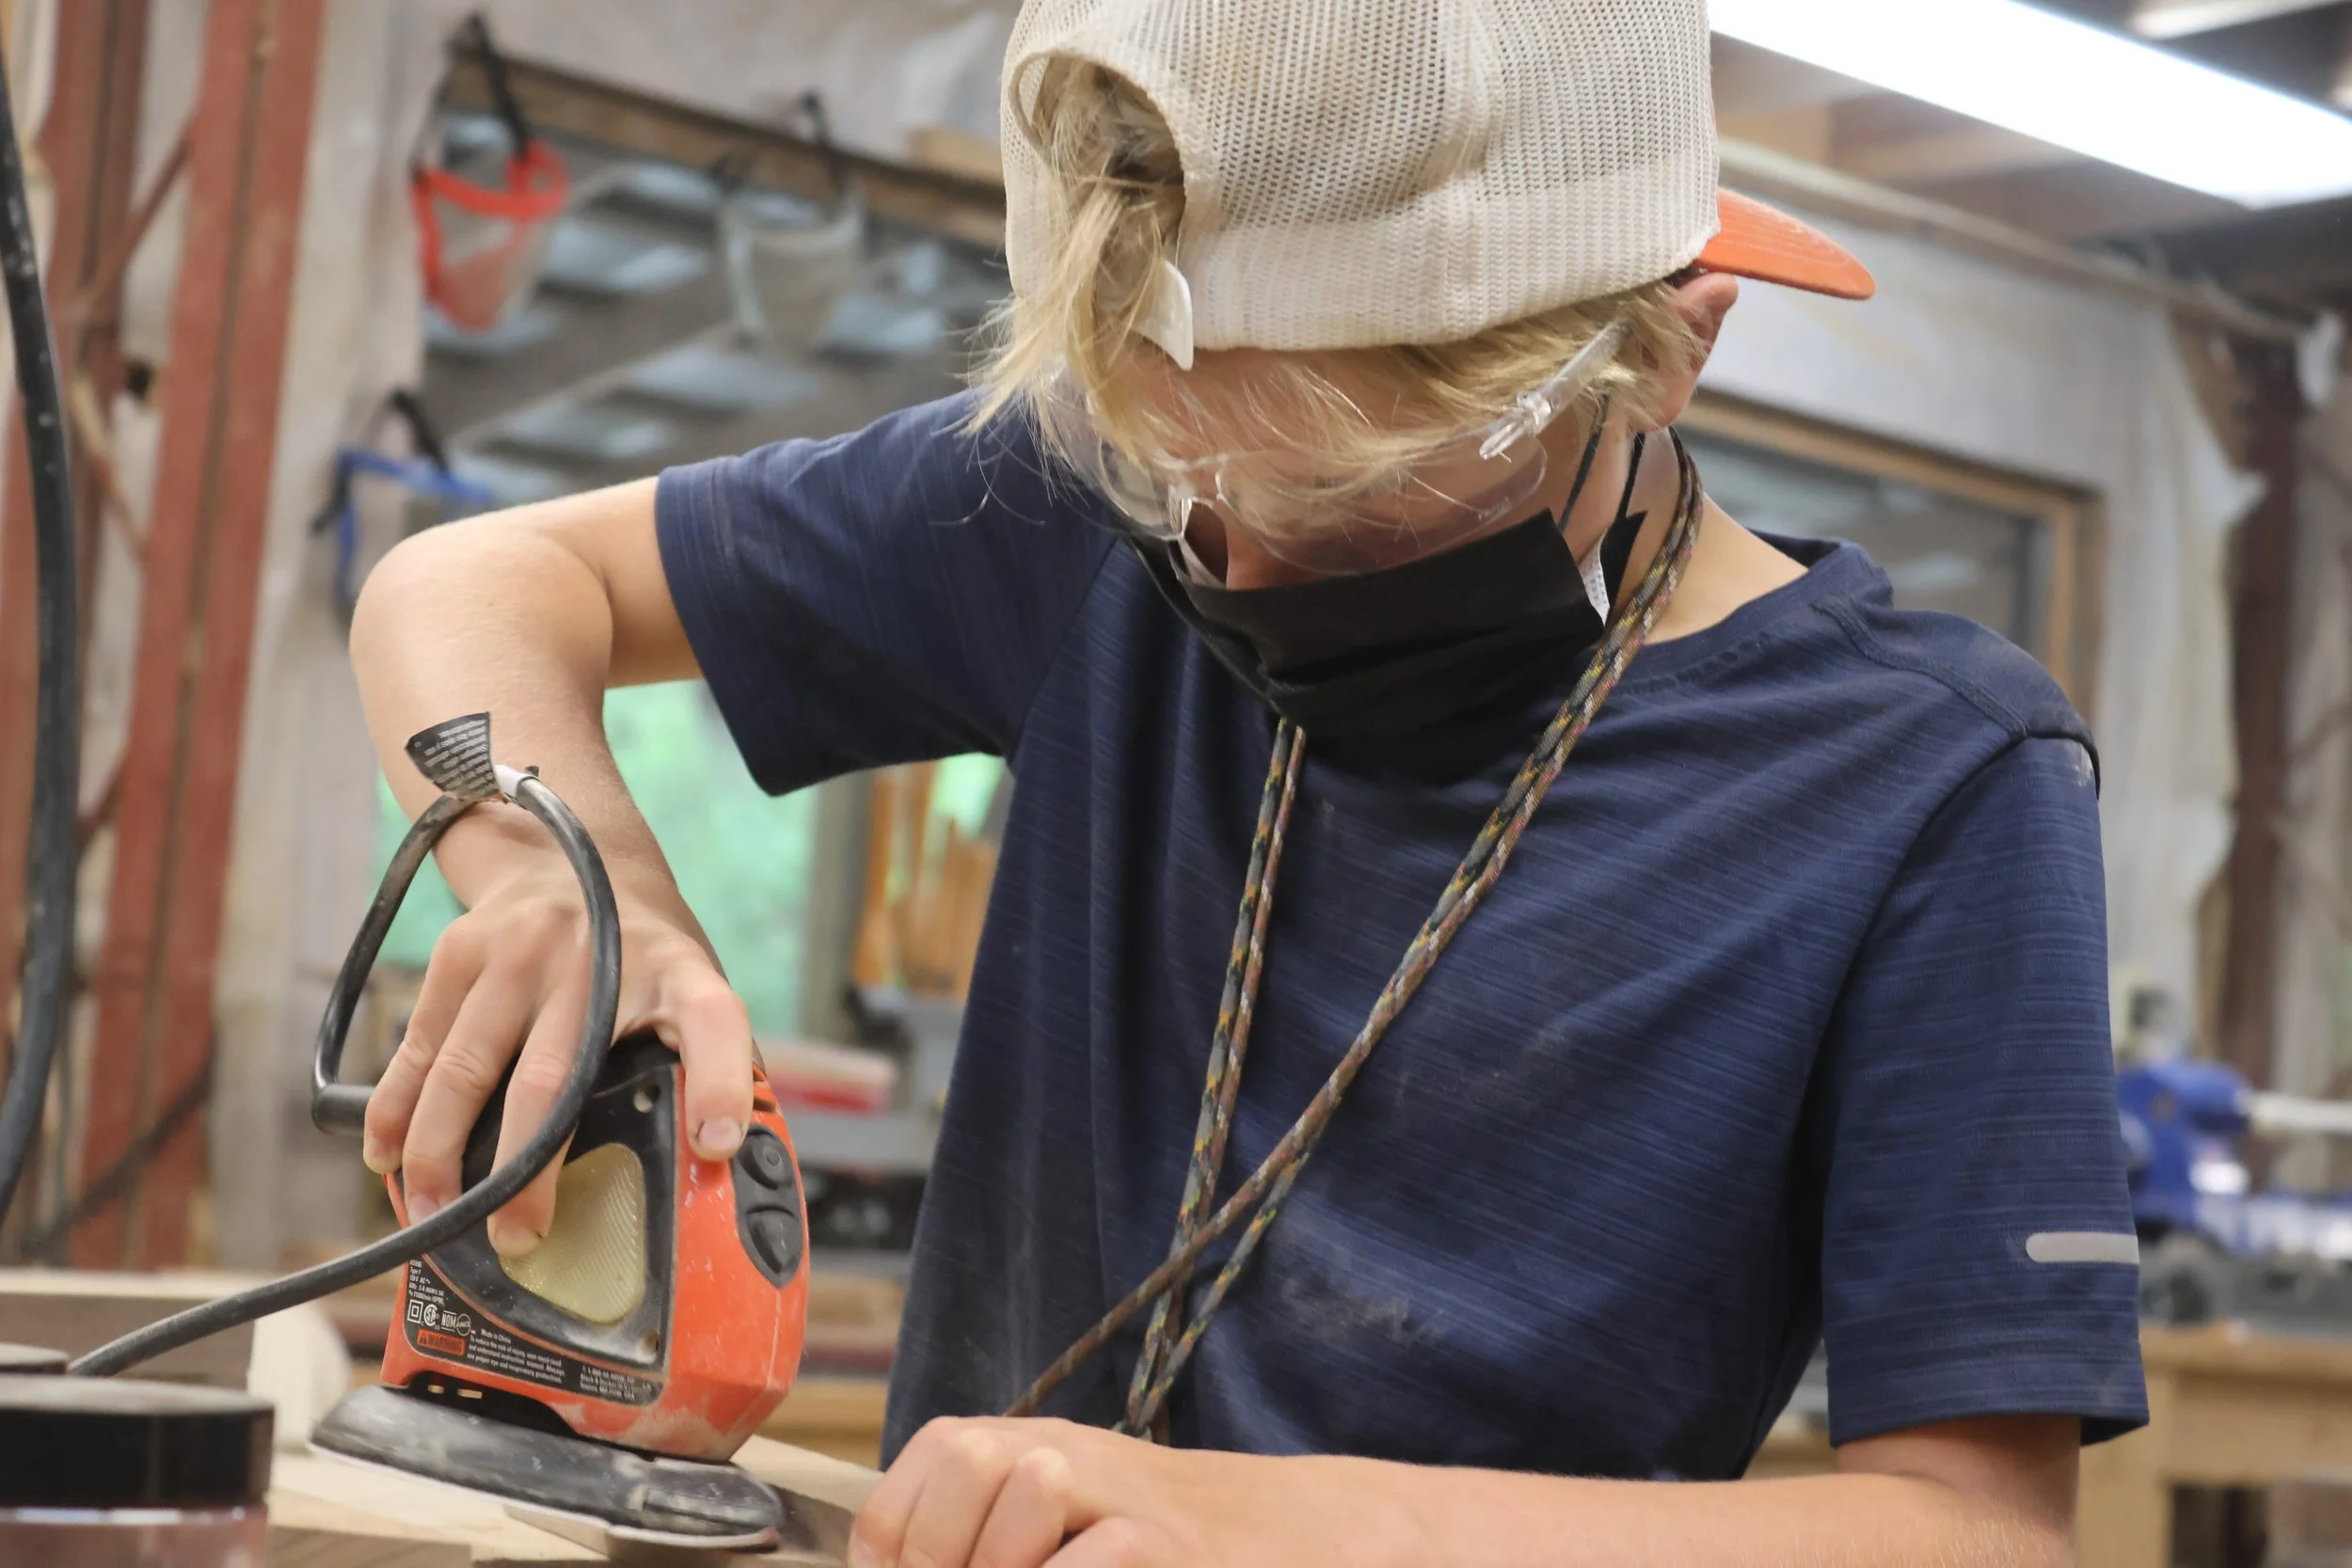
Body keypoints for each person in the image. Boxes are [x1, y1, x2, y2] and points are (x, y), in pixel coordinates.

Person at [350, 1, 2146, 1563]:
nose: (1237, 572)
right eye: (1183, 481)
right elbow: (475, 583)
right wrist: (566, 882)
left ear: (1667, 347)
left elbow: (1974, 1531)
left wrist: (1318, 1524)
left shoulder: (1930, 779)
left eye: (1345, 503)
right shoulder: (1083, 526)